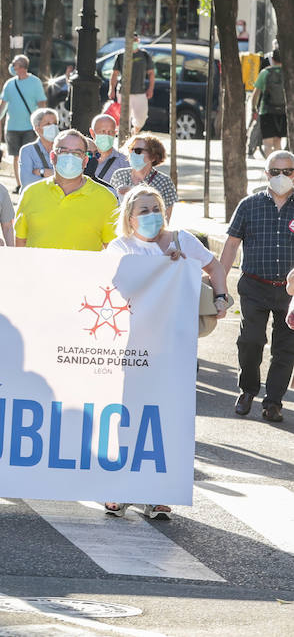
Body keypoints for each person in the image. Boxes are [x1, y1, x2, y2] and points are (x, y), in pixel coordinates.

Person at [102, 185, 229, 519]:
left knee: (169, 417)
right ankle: (119, 489)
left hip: (175, 347)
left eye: (155, 208)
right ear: (129, 218)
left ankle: (160, 493)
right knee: (129, 417)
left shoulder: (183, 241)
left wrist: (220, 296)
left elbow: (215, 268)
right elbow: (111, 292)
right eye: (143, 210)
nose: (151, 216)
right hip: (134, 349)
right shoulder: (119, 249)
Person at [218, 150, 294, 424]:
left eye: (288, 171)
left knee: (285, 348)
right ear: (266, 174)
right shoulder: (249, 205)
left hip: (290, 292)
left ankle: (273, 402)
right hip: (254, 286)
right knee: (250, 341)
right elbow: (230, 245)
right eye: (276, 171)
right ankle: (248, 390)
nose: (282, 177)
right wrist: (219, 284)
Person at [14, 128, 118, 251]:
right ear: (53, 157)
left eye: (77, 153)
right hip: (38, 270)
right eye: (63, 151)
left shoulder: (106, 198)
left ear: (85, 161)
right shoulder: (30, 193)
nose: (70, 157)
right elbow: (20, 242)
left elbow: (113, 248)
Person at [111, 133, 178, 217]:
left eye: (138, 151)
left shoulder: (164, 182)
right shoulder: (119, 175)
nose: (133, 154)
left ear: (153, 156)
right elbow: (110, 208)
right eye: (131, 149)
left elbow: (166, 218)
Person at [0, 54, 48, 170]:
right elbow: (2, 106)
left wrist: (42, 123)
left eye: (14, 64)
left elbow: (42, 104)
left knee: (28, 156)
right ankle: (18, 185)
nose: (11, 66)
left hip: (30, 128)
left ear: (21, 67)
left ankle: (27, 182)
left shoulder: (35, 82)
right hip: (12, 127)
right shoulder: (9, 84)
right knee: (16, 157)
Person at [109, 43, 156, 138]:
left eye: (135, 40)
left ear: (138, 41)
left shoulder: (144, 55)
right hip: (123, 92)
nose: (133, 42)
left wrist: (151, 88)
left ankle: (134, 133)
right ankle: (124, 138)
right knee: (124, 119)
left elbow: (151, 73)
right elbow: (114, 74)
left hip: (140, 92)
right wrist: (111, 89)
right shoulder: (121, 55)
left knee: (141, 117)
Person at [252, 49, 286, 155]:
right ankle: (278, 168)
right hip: (282, 111)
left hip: (266, 111)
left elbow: (256, 93)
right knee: (277, 141)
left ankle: (270, 168)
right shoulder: (287, 74)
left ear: (272, 59)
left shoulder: (265, 73)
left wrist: (253, 108)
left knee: (267, 143)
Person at [17, 107, 59, 191]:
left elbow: (71, 180)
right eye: (48, 124)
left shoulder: (64, 150)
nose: (53, 127)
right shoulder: (27, 151)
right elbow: (28, 182)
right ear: (37, 128)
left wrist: (41, 172)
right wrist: (56, 177)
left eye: (55, 123)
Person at [85, 113, 128, 185]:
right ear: (92, 133)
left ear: (115, 133)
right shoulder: (82, 158)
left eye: (110, 132)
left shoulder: (124, 163)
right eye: (103, 131)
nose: (106, 135)